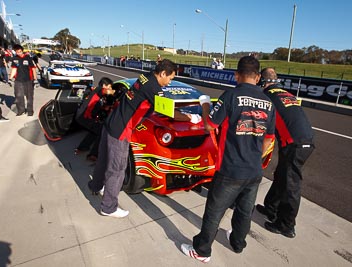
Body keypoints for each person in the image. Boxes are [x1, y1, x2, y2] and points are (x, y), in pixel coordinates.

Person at [180, 56, 276, 263]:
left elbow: (209, 125)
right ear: (258, 77)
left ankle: (202, 251)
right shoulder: (269, 103)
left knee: (214, 212)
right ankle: (238, 243)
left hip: (230, 169)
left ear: (236, 75)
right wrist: (254, 159)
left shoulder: (231, 95)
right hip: (254, 171)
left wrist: (205, 105)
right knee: (244, 211)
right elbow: (269, 140)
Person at [87, 59, 201, 218]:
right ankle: (108, 207)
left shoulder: (145, 77)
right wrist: (189, 117)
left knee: (103, 160)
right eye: (170, 78)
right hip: (121, 130)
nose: (169, 82)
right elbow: (169, 111)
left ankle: (96, 185)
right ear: (162, 73)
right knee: (117, 169)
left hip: (111, 124)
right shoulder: (153, 88)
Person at [255, 67, 315, 238]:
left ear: (262, 82)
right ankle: (270, 209)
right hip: (304, 140)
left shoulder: (267, 96)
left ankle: (286, 226)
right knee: (282, 175)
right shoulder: (286, 94)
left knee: (291, 186)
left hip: (295, 144)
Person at [74, 77, 117, 162]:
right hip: (85, 117)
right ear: (104, 85)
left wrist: (108, 107)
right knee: (102, 132)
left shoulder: (97, 95)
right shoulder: (99, 89)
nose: (110, 88)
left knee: (95, 131)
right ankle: (93, 155)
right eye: (109, 86)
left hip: (83, 117)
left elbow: (102, 108)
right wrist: (119, 93)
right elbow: (108, 92)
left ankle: (82, 148)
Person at [9, 44, 38, 116]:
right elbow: (14, 69)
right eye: (17, 52)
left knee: (29, 96)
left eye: (20, 52)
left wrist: (35, 79)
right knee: (18, 96)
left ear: (22, 51)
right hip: (18, 80)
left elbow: (33, 68)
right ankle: (21, 110)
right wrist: (10, 78)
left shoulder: (28, 58)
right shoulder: (15, 59)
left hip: (28, 80)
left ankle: (30, 111)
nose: (19, 53)